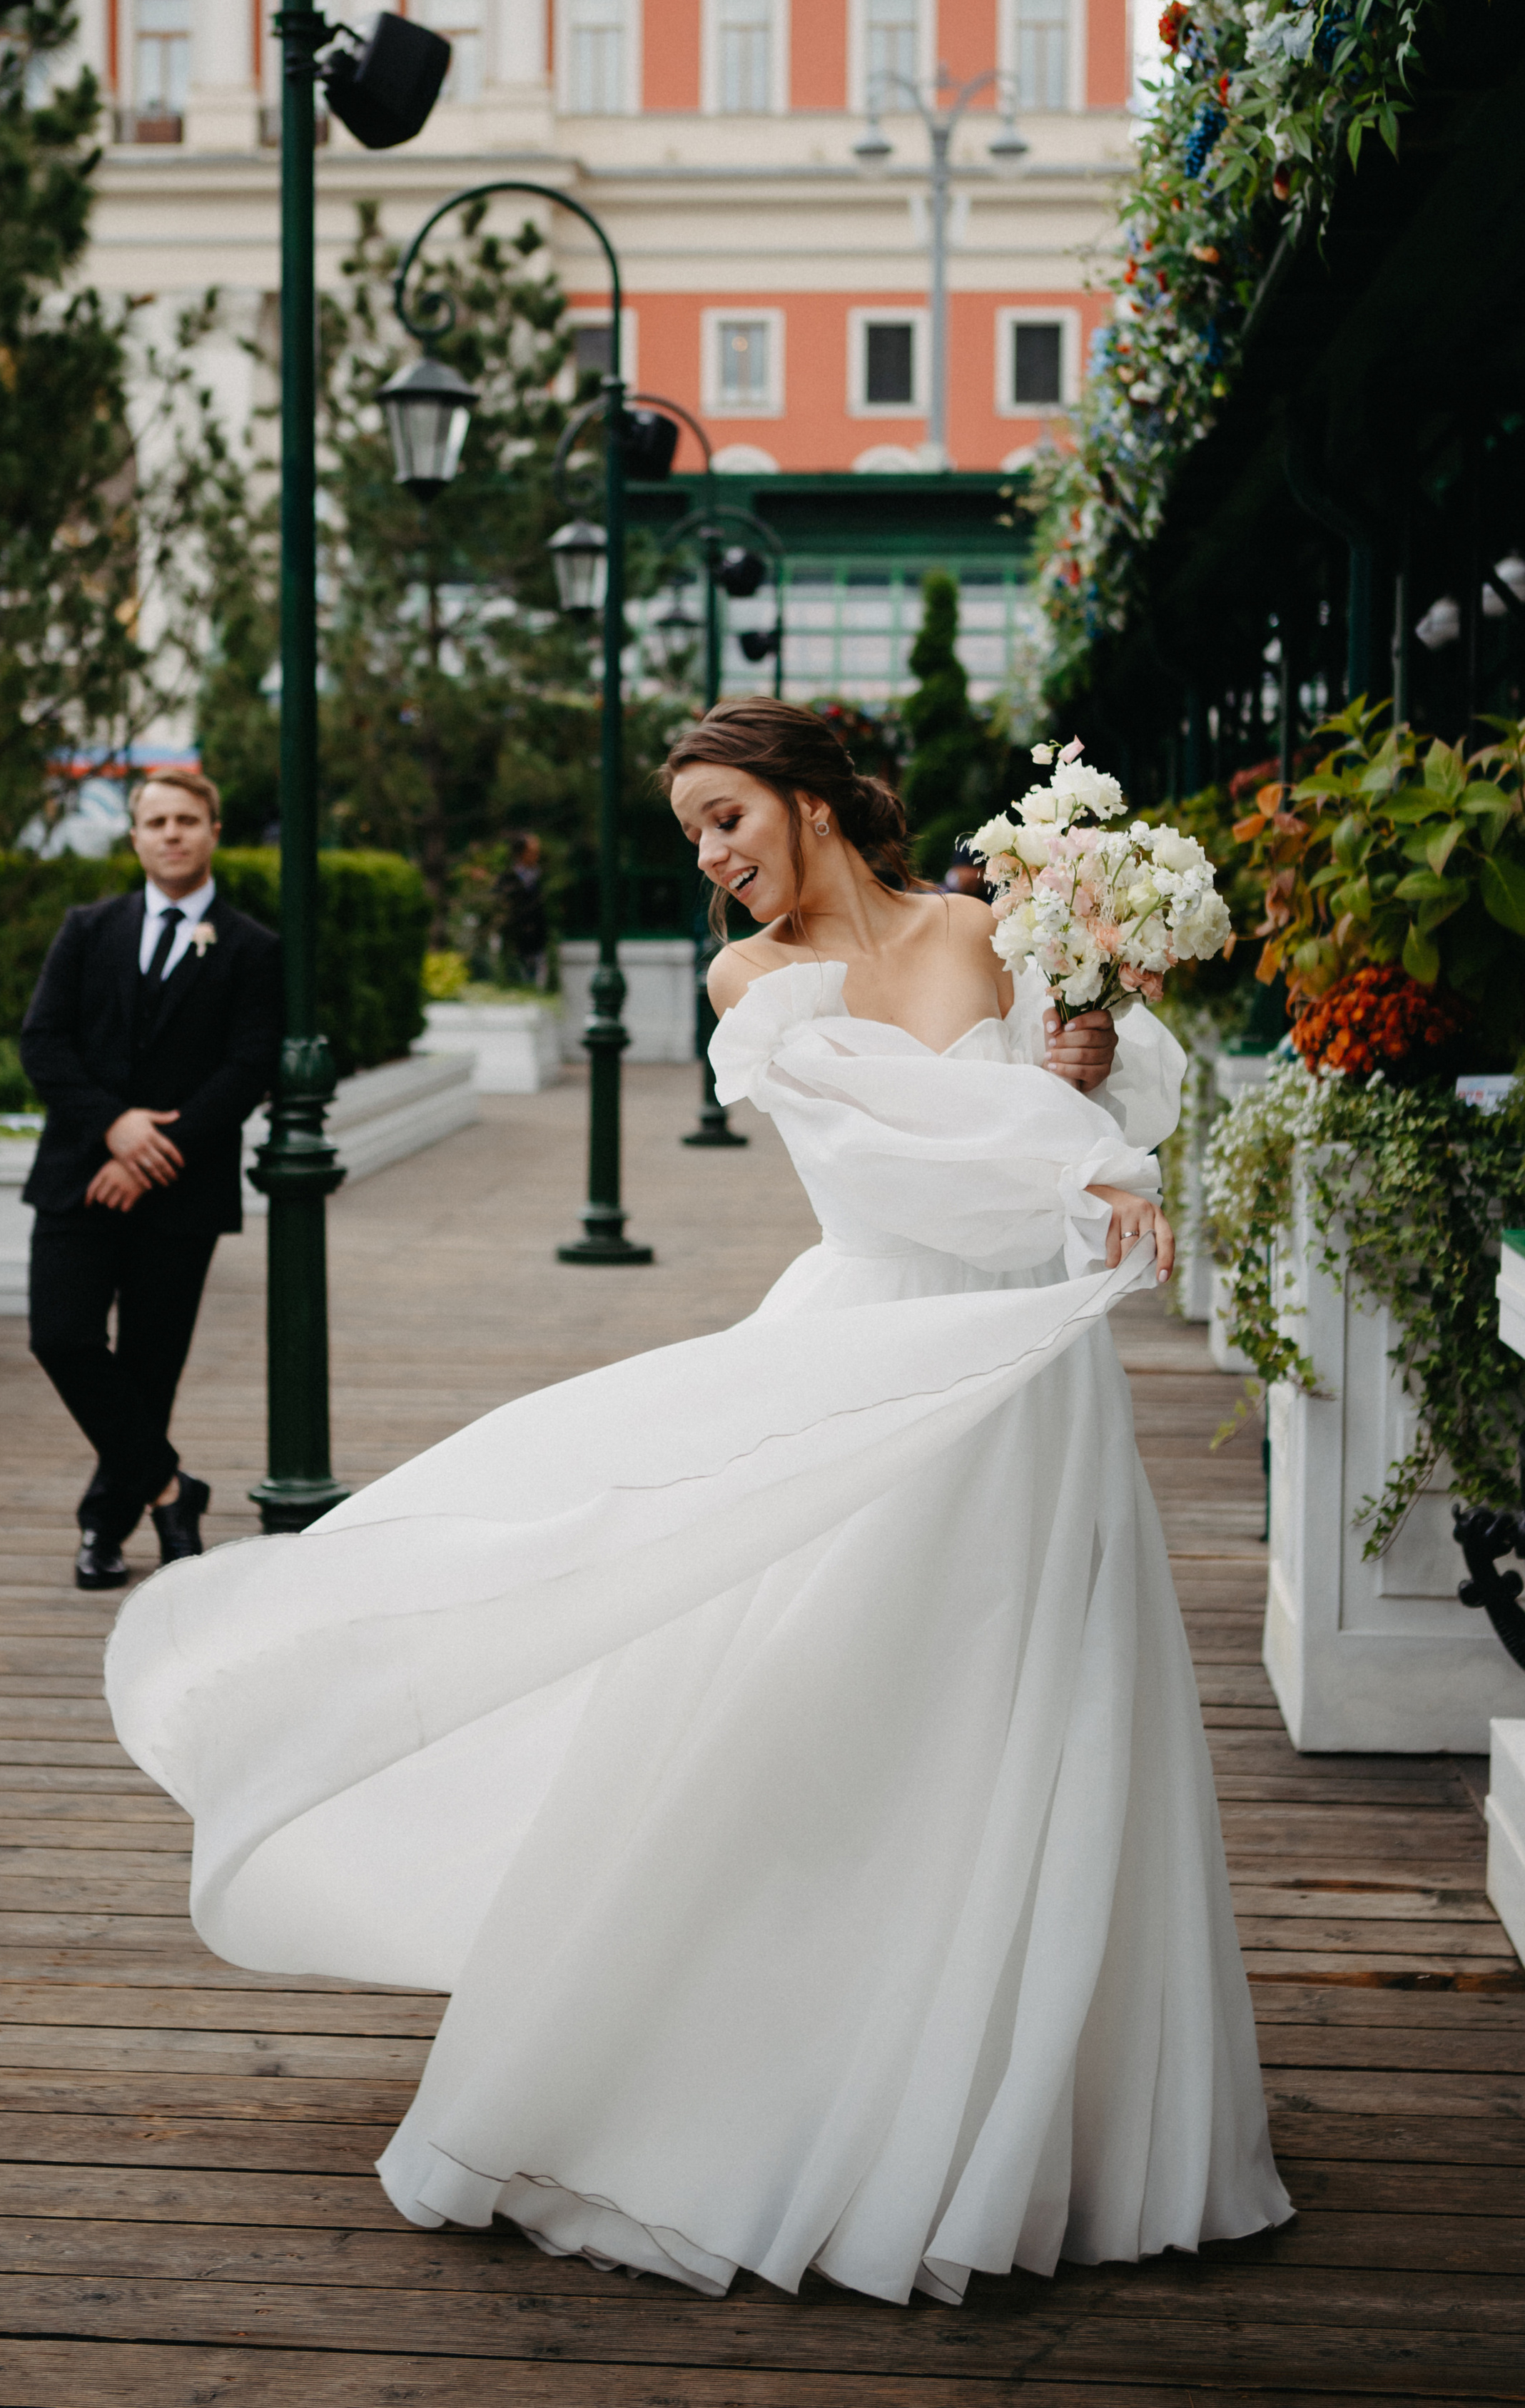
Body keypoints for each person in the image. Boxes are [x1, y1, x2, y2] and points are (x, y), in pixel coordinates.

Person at [105, 699, 1290, 2308]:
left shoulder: (993, 930)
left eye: (728, 816)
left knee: (1047, 1715)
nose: (714, 858)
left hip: (1031, 1385)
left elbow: (1101, 1121)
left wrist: (1086, 1069)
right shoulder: (756, 991)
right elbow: (899, 1169)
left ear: (811, 800)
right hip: (875, 1349)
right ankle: (767, 2079)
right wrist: (1064, 1155)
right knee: (820, 1711)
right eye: (693, 835)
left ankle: (1029, 2119)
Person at [21, 768, 281, 1592]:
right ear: (134, 837)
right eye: (156, 821)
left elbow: (247, 1068)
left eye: (187, 820)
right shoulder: (87, 930)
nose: (171, 833)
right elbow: (44, 1043)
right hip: (76, 1175)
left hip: (183, 1189)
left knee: (148, 1367)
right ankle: (172, 1489)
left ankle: (103, 1526)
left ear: (212, 832)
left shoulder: (252, 948)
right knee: (60, 1337)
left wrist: (156, 1152)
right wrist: (114, 1127)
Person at [495, 833, 549, 986]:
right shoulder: (507, 878)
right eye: (532, 851)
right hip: (516, 938)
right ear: (520, 854)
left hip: (540, 937)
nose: (536, 855)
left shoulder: (543, 877)